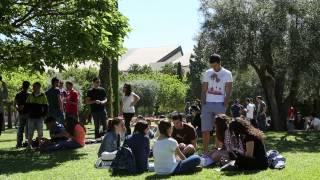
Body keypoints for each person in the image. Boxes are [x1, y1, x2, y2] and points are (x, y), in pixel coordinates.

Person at [201, 54, 233, 153]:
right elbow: (204, 89)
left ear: (219, 63)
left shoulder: (227, 73)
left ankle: (217, 151)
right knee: (206, 129)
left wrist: (225, 103)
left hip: (220, 103)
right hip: (207, 104)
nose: (213, 68)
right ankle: (205, 152)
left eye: (215, 65)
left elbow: (229, 90)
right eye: (212, 66)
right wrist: (203, 103)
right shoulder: (207, 73)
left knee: (219, 129)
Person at [25, 82, 48, 149]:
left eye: (35, 86)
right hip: (31, 117)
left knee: (40, 132)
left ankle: (40, 145)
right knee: (30, 132)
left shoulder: (43, 96)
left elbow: (46, 106)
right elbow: (26, 106)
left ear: (39, 87)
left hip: (39, 117)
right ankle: (29, 146)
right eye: (33, 86)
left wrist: (44, 115)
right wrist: (27, 113)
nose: (33, 88)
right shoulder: (30, 95)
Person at [15, 81, 31, 148]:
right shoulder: (29, 94)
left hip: (22, 114)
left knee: (20, 129)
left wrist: (18, 109)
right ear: (28, 86)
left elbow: (14, 104)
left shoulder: (18, 94)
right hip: (27, 114)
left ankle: (19, 143)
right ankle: (27, 143)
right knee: (27, 129)